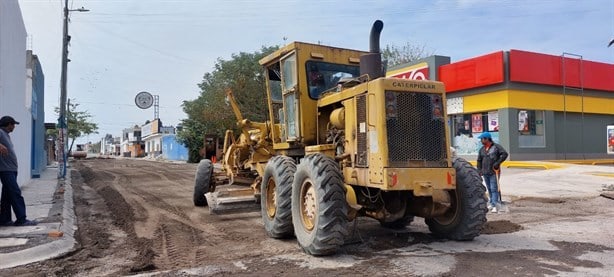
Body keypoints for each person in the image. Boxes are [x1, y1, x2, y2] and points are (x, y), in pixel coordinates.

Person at [0, 116, 37, 226]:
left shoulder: (5, 135)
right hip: (6, 170)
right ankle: (21, 219)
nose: (14, 127)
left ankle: (5, 219)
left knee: (6, 196)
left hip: (10, 169)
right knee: (16, 193)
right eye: (13, 124)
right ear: (8, 124)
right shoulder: (1, 132)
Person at [476, 132, 508, 213]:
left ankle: (495, 205)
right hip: (485, 172)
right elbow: (479, 160)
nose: (481, 141)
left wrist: (497, 163)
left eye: (482, 139)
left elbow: (504, 154)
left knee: (494, 188)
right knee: (489, 188)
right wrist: (479, 170)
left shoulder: (496, 147)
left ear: (487, 139)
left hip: (494, 172)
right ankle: (492, 202)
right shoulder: (482, 149)